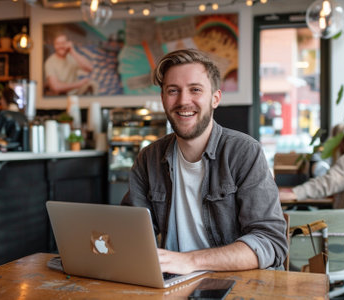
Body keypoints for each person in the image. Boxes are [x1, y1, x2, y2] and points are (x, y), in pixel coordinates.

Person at [121, 49, 288, 275]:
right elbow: (132, 233)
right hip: (171, 286)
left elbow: (270, 242)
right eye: (173, 91)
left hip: (237, 286)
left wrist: (190, 261)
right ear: (163, 99)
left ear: (215, 98)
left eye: (195, 90)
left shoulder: (244, 153)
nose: (183, 101)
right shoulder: (148, 158)